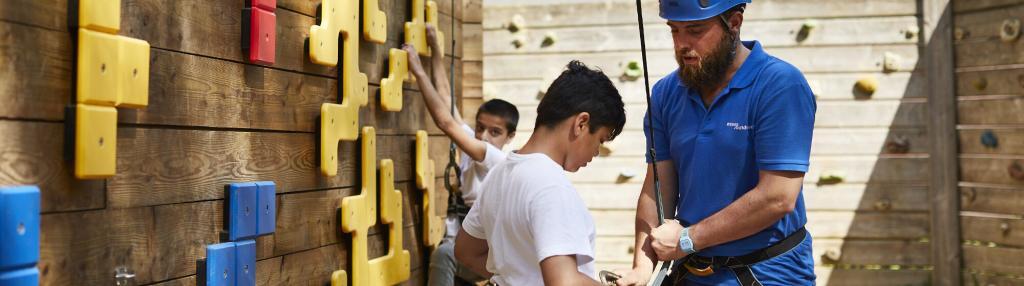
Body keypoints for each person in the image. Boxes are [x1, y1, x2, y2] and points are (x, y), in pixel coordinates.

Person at [612, 0, 817, 285]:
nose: (682, 44)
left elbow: (777, 197)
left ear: (734, 23)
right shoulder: (665, 93)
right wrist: (642, 266)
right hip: (692, 271)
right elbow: (658, 186)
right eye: (674, 30)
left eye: (695, 30)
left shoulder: (779, 85)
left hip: (768, 273)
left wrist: (687, 239)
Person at [454, 60, 626, 286]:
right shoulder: (552, 186)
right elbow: (564, 282)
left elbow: (467, 251)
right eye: (600, 140)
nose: (596, 152)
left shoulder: (500, 172)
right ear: (581, 123)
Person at [404, 25, 520, 286]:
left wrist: (417, 69)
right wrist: (435, 51)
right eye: (480, 127)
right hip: (466, 246)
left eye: (495, 132)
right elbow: (447, 100)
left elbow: (444, 122)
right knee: (447, 253)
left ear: (509, 137)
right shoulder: (474, 144)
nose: (484, 136)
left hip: (482, 256)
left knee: (445, 254)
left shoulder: (496, 160)